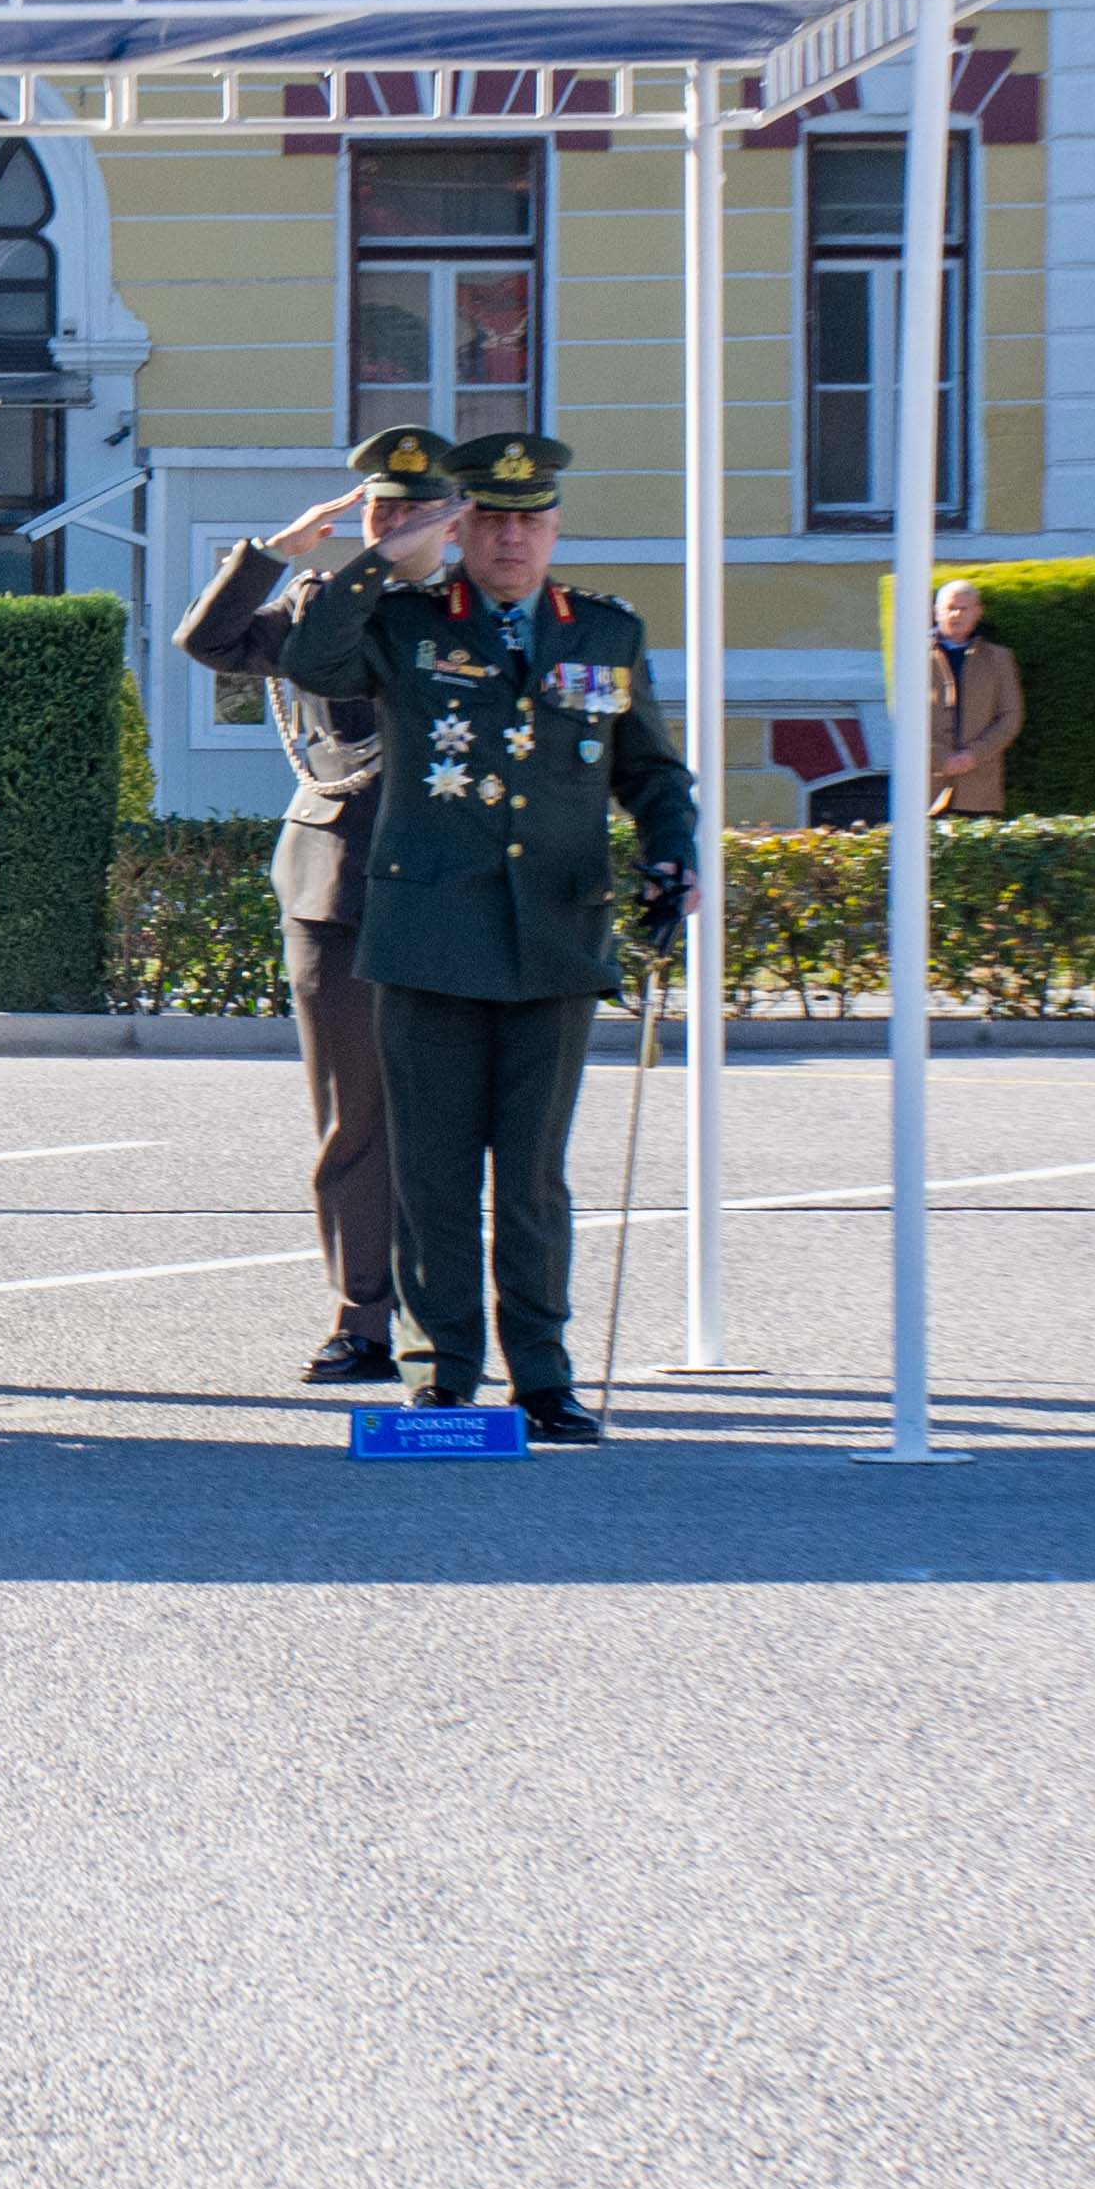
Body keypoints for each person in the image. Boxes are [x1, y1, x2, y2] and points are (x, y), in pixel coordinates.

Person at [279, 431, 698, 1446]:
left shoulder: (603, 632)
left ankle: (543, 1374)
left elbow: (649, 771)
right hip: (427, 934)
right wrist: (385, 554)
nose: (512, 540)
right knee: (429, 1165)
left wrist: (673, 855)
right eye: (492, 521)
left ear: (554, 529)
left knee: (532, 1171)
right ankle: (442, 1368)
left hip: (552, 933)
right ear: (461, 526)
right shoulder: (404, 621)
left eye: (530, 521)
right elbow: (309, 653)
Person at [172, 428, 456, 1388]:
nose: (392, 525)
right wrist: (275, 553)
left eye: (413, 511)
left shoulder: (471, 617)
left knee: (450, 1118)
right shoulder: (317, 603)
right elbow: (206, 641)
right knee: (356, 1117)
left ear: (452, 521)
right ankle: (360, 1315)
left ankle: (443, 1324)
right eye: (380, 510)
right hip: (339, 880)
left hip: (451, 889)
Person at [929, 577, 1024, 818]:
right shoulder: (913, 656)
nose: (956, 615)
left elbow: (1010, 716)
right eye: (950, 608)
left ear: (977, 612)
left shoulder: (999, 659)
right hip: (927, 789)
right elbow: (903, 718)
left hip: (979, 789)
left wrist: (973, 755)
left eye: (964, 609)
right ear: (936, 612)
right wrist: (940, 757)